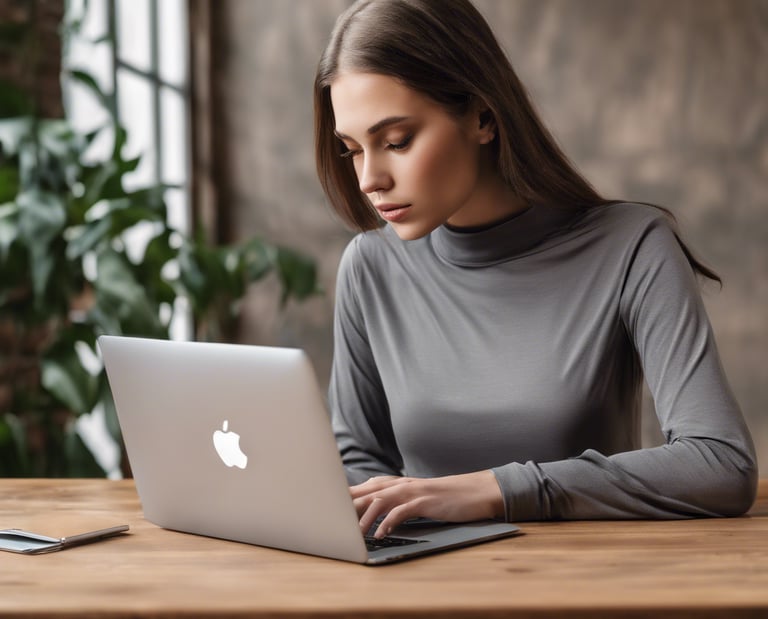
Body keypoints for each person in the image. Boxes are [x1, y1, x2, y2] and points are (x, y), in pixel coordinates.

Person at [313, 0, 758, 540]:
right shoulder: (371, 266)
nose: (369, 179)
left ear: (481, 117)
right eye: (352, 149)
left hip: (593, 579)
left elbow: (719, 464)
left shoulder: (632, 245)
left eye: (397, 141)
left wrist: (496, 490)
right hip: (420, 581)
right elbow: (357, 462)